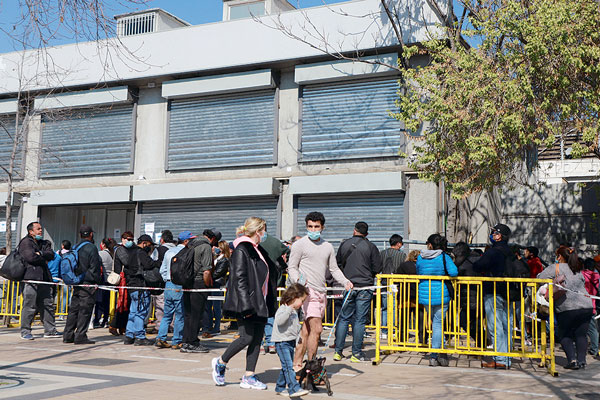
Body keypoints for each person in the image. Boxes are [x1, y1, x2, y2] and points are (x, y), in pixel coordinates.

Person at [211, 217, 278, 390]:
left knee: (256, 340)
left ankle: (249, 376)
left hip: (261, 302)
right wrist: (246, 304)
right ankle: (220, 362)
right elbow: (239, 279)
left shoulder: (258, 250)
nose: (265, 234)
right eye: (264, 230)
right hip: (248, 302)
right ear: (259, 231)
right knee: (246, 337)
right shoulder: (243, 249)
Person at [287, 212, 352, 371]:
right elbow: (292, 267)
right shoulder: (299, 244)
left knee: (307, 331)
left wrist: (345, 281)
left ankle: (295, 365)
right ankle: (311, 367)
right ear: (306, 226)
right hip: (307, 293)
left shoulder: (328, 246)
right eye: (310, 226)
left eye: (316, 226)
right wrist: (299, 282)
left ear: (322, 227)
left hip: (321, 293)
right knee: (317, 329)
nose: (313, 229)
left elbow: (334, 269)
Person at [333, 221, 382, 363]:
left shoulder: (344, 244)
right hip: (365, 286)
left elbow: (338, 264)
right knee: (360, 320)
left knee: (343, 318)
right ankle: (356, 353)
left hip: (348, 285)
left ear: (354, 230)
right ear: (366, 234)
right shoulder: (371, 247)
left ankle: (338, 352)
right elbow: (377, 267)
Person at [539, 246, 594, 369]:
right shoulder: (577, 269)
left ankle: (572, 361)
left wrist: (552, 281)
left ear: (559, 256)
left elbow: (539, 278)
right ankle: (582, 361)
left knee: (565, 335)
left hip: (567, 307)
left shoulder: (556, 267)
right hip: (586, 305)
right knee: (581, 335)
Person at [473, 223, 514, 369]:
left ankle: (501, 359)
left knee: (495, 326)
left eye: (495, 233)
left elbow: (478, 266)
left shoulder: (493, 251)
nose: (492, 235)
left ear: (500, 236)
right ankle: (506, 357)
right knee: (506, 326)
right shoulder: (511, 251)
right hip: (508, 292)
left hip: (493, 291)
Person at [416, 233, 458, 367]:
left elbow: (418, 271)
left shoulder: (420, 257)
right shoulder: (444, 257)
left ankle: (435, 354)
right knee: (438, 324)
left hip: (425, 293)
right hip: (441, 294)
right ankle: (435, 354)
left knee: (434, 322)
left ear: (429, 244)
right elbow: (453, 272)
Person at [115, 233, 159, 346]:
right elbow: (149, 265)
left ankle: (129, 336)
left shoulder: (131, 253)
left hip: (132, 286)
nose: (151, 248)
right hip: (140, 286)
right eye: (149, 245)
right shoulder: (141, 253)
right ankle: (140, 336)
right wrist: (158, 262)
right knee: (141, 312)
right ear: (144, 243)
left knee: (133, 312)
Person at [181, 228, 221, 353]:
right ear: (213, 239)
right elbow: (207, 271)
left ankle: (186, 342)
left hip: (187, 282)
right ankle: (193, 342)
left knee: (188, 314)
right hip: (198, 283)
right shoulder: (206, 247)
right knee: (197, 315)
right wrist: (207, 285)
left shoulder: (191, 244)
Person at [63, 225, 103, 344]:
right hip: (88, 284)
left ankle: (68, 335)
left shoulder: (76, 247)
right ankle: (80, 335)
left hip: (76, 282)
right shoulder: (92, 248)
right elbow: (94, 267)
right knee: (85, 310)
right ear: (91, 234)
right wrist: (96, 282)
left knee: (74, 310)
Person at [19, 221, 59, 340]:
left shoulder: (44, 243)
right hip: (30, 279)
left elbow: (51, 255)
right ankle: (25, 331)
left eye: (41, 228)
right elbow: (30, 257)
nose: (40, 231)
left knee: (47, 304)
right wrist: (42, 257)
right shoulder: (25, 242)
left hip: (45, 279)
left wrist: (40, 253)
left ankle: (50, 330)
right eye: (38, 229)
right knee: (29, 306)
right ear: (31, 232)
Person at [156, 231, 193, 350]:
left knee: (167, 314)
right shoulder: (185, 252)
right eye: (190, 240)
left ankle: (161, 338)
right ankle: (176, 340)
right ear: (186, 241)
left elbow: (162, 270)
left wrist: (168, 280)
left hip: (168, 284)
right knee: (179, 315)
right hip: (179, 285)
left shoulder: (169, 252)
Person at [272, 283, 310, 398]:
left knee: (286, 367)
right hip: (282, 342)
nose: (302, 304)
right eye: (301, 301)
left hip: (290, 342)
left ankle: (280, 387)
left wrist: (298, 338)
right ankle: (293, 388)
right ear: (294, 298)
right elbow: (280, 321)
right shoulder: (283, 309)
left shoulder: (294, 312)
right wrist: (289, 309)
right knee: (288, 367)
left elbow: (296, 327)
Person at [259, 223, 290, 353]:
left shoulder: (253, 244)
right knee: (270, 313)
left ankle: (260, 344)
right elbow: (286, 252)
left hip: (257, 283)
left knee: (258, 316)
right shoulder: (275, 242)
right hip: (272, 283)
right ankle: (271, 343)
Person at [379, 234, 407, 338]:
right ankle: (394, 330)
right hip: (396, 284)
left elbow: (378, 266)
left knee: (385, 307)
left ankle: (384, 331)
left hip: (384, 283)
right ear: (398, 243)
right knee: (395, 307)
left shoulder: (382, 253)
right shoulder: (402, 255)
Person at [452, 242, 481, 343]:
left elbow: (454, 272)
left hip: (469, 296)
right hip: (476, 295)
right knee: (475, 322)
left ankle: (482, 342)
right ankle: (481, 344)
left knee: (464, 321)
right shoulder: (477, 258)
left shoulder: (463, 262)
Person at [202, 240, 231, 337]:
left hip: (217, 284)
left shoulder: (225, 260)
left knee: (217, 306)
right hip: (211, 284)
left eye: (217, 247)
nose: (215, 248)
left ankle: (217, 327)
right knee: (208, 306)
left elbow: (218, 272)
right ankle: (209, 325)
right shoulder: (216, 258)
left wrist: (209, 277)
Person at [109, 233, 132, 336]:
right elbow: (127, 261)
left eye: (131, 239)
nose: (130, 241)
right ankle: (114, 325)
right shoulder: (120, 250)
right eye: (127, 239)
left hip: (127, 280)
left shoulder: (128, 249)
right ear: (122, 239)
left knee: (126, 305)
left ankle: (122, 326)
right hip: (122, 280)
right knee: (122, 304)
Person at [93, 237, 115, 329]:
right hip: (111, 281)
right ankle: (106, 320)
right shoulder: (112, 254)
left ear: (103, 245)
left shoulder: (100, 254)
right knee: (107, 302)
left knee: (99, 302)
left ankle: (97, 320)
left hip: (103, 280)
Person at [582, 258, 599, 357]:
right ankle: (594, 348)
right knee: (592, 328)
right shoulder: (597, 276)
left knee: (582, 329)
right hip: (592, 304)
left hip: (581, 304)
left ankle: (590, 348)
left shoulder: (582, 275)